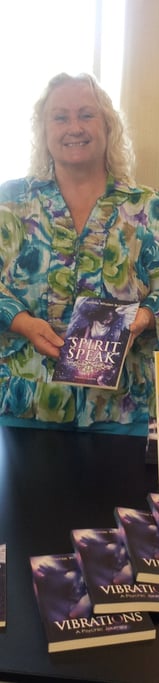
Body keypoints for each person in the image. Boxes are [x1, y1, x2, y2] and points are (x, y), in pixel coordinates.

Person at [0, 71, 159, 434]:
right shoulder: (8, 203)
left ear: (108, 126)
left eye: (87, 115)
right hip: (24, 404)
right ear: (43, 130)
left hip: (121, 411)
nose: (74, 127)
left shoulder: (147, 208)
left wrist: (145, 318)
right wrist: (23, 323)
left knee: (119, 495)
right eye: (61, 117)